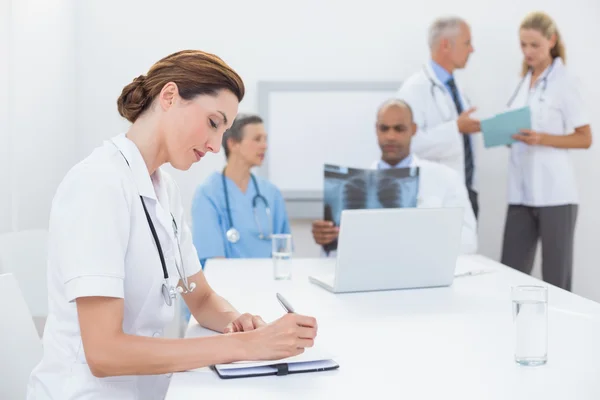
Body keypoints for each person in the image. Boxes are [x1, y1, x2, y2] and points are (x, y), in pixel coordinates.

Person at [27, 50, 317, 400]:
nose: (214, 146)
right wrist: (244, 346)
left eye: (224, 132)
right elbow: (104, 353)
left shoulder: (164, 189)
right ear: (169, 96)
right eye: (213, 123)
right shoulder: (98, 183)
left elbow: (203, 298)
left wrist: (240, 321)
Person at [312, 99, 477, 255]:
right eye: (384, 128)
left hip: (423, 275)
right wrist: (327, 239)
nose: (390, 136)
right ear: (376, 130)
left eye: (399, 129)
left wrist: (421, 239)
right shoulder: (352, 183)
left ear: (413, 130)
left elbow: (469, 241)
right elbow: (337, 257)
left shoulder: (445, 178)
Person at [500, 12, 592, 291]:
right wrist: (506, 133)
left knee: (556, 281)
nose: (527, 52)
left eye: (534, 45)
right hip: (520, 193)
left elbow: (585, 138)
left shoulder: (565, 81)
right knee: (511, 276)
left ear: (551, 41)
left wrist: (542, 138)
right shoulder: (522, 82)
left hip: (556, 195)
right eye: (523, 45)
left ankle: (559, 334)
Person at [396, 16, 481, 218]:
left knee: (467, 248)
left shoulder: (456, 88)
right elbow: (407, 145)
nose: (472, 50)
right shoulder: (414, 89)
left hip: (465, 190)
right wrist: (456, 128)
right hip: (434, 198)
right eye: (467, 43)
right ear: (445, 45)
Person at [191, 113, 290, 268]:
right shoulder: (208, 194)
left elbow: (284, 249)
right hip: (227, 286)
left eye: (265, 139)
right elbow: (214, 261)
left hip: (269, 285)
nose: (265, 145)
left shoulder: (271, 193)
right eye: (257, 139)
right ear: (233, 144)